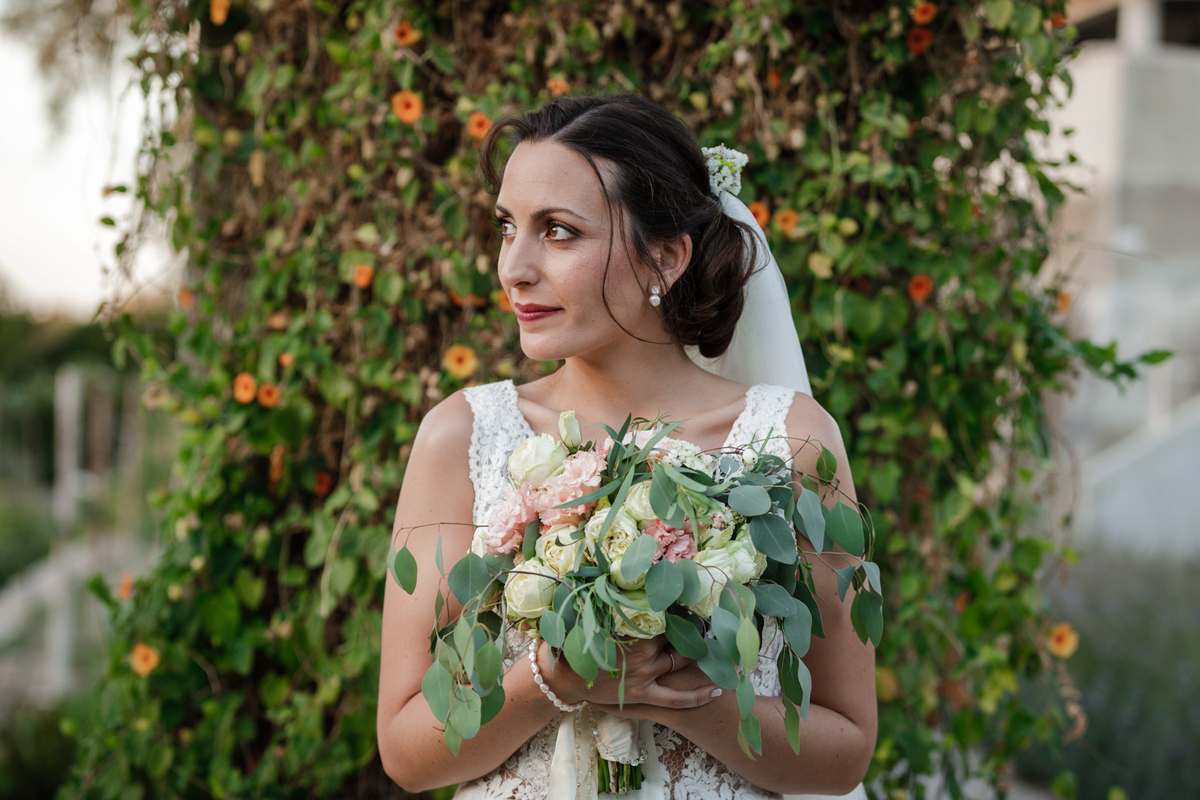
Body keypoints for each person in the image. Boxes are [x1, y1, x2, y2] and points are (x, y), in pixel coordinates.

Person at [377, 93, 875, 800]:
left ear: (665, 258)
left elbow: (847, 751)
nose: (513, 268)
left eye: (558, 231)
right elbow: (404, 751)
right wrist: (551, 682)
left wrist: (687, 696)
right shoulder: (463, 436)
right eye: (507, 227)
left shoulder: (787, 442)